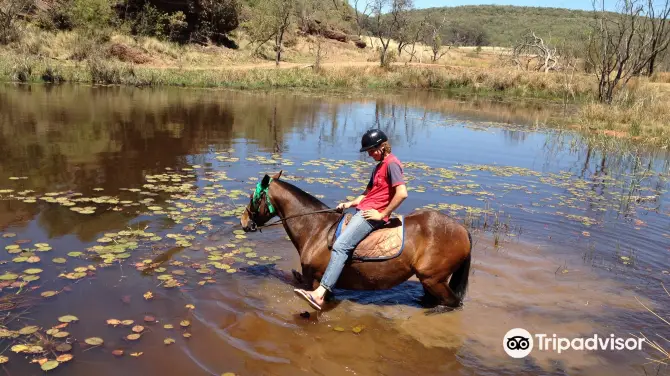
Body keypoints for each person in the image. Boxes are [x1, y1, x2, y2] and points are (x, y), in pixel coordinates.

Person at [294, 129, 408, 310]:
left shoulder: (392, 164)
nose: (370, 154)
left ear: (382, 147)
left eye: (371, 150)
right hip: (363, 210)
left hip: (371, 215)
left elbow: (402, 193)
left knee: (340, 246)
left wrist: (382, 214)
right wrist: (349, 203)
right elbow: (367, 193)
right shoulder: (378, 166)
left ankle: (320, 294)